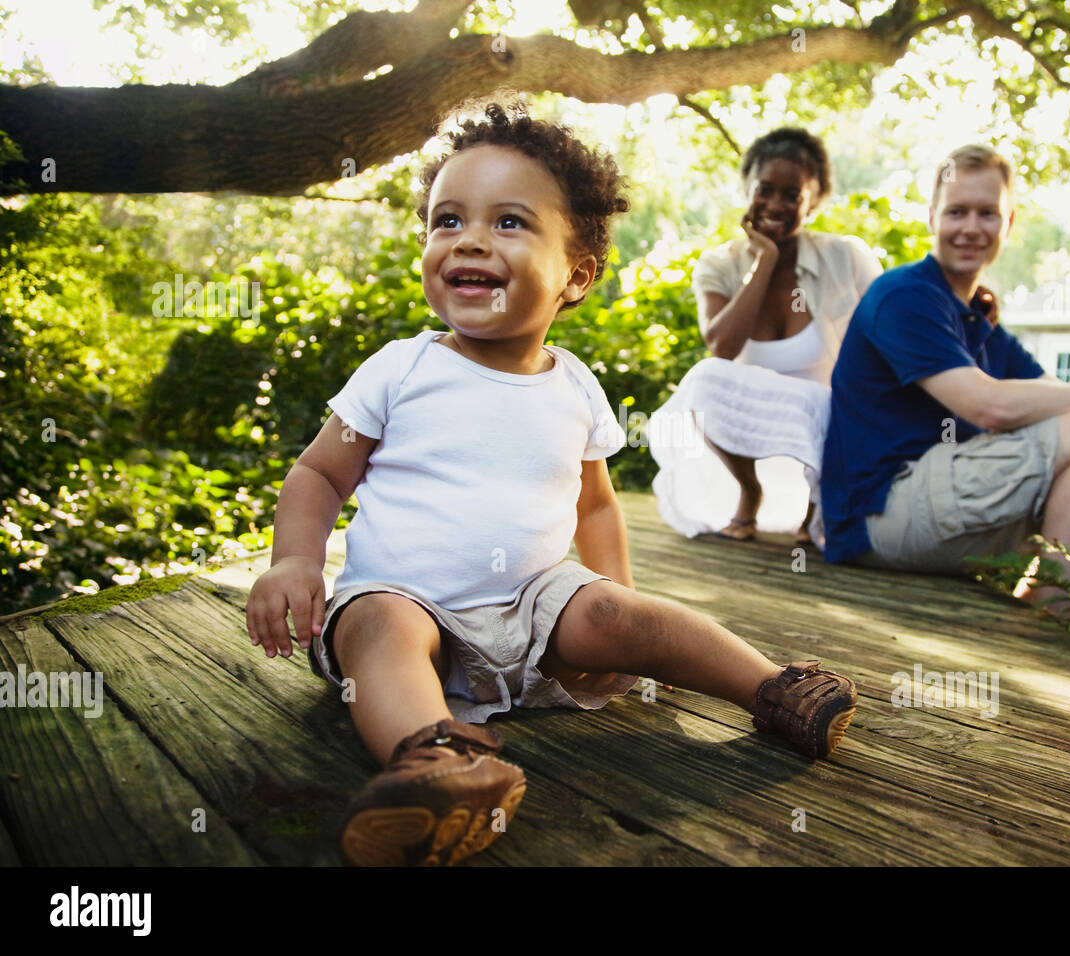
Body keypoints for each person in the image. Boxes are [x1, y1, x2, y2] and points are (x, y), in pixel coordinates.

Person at [243, 103, 858, 868]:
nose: (467, 238)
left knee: (623, 609)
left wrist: (618, 605)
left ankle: (771, 690)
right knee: (381, 628)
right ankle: (435, 764)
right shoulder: (401, 368)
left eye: (508, 222)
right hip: (403, 599)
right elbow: (317, 474)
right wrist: (295, 560)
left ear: (576, 273)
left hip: (533, 615)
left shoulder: (574, 385)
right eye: (447, 221)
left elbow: (594, 502)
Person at [819, 144, 1070, 610]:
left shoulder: (979, 320)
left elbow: (1061, 401)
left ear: (1008, 223)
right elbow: (987, 406)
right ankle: (1053, 610)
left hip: (935, 510)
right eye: (957, 212)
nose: (972, 228)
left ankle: (1045, 597)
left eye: (987, 213)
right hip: (880, 515)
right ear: (931, 217)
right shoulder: (904, 296)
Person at [649, 128, 881, 544]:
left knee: (833, 398)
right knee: (703, 378)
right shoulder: (719, 265)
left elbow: (890, 332)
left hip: (831, 419)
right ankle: (749, 491)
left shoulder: (846, 256)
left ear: (814, 201)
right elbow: (721, 346)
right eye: (765, 190)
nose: (775, 204)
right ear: (747, 190)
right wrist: (764, 263)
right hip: (753, 423)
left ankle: (814, 509)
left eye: (792, 195)